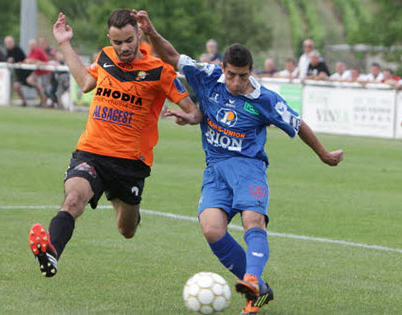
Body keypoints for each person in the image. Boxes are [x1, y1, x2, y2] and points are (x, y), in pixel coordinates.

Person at [133, 10, 343, 314]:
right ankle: (259, 289)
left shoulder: (265, 99)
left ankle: (252, 280)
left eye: (243, 76)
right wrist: (151, 32)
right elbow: (173, 56)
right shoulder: (206, 76)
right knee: (211, 229)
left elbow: (298, 125)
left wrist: (324, 154)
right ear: (223, 68)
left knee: (252, 222)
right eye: (231, 74)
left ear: (251, 71)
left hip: (248, 168)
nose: (236, 82)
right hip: (216, 169)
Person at [28, 10, 202, 278]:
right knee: (73, 200)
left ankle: (124, 204)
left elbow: (194, 111)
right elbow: (86, 82)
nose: (123, 48)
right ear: (109, 38)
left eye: (129, 41)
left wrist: (187, 117)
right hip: (91, 152)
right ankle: (51, 253)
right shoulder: (105, 56)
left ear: (139, 35)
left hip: (130, 163)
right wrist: (64, 42)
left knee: (127, 230)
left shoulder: (160, 71)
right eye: (117, 42)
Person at [25, 38, 51, 107]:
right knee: (30, 81)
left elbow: (33, 61)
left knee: (43, 89)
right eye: (30, 45)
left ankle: (44, 104)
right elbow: (28, 60)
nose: (30, 46)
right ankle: (38, 88)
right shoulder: (32, 51)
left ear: (35, 45)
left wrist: (32, 61)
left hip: (45, 71)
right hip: (38, 71)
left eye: (31, 45)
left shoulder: (37, 50)